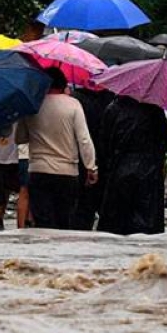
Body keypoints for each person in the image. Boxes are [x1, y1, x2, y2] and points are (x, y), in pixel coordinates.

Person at [16, 67, 97, 229]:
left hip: (38, 171)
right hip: (67, 173)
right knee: (63, 223)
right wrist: (91, 167)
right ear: (63, 84)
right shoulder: (73, 105)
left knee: (43, 224)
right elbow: (84, 140)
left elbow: (20, 138)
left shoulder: (33, 105)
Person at [97, 96, 167, 235]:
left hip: (119, 169)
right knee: (146, 229)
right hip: (149, 172)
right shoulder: (155, 111)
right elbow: (166, 139)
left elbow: (103, 142)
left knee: (114, 227)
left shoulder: (113, 108)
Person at [70, 86, 115, 230]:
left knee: (78, 203)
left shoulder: (76, 99)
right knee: (93, 202)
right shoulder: (111, 101)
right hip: (103, 158)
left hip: (77, 158)